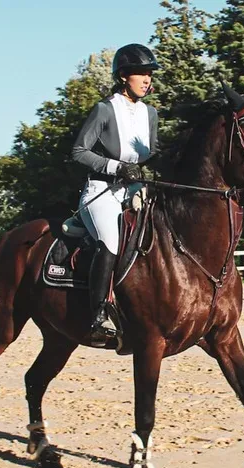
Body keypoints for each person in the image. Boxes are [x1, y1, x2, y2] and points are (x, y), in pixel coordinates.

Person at [72, 43, 160, 346]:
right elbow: (78, 152)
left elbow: (153, 155)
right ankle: (97, 316)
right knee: (110, 242)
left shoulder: (151, 114)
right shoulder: (104, 109)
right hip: (102, 192)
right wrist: (116, 167)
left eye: (150, 74)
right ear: (124, 76)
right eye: (141, 74)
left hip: (135, 191)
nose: (147, 80)